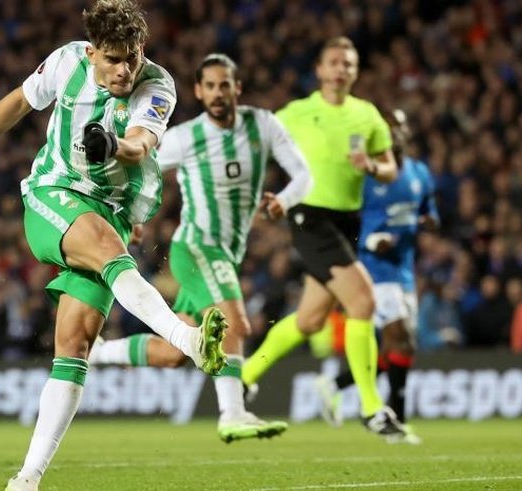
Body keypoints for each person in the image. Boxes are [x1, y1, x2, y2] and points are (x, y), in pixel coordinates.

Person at [0, 2, 228, 489]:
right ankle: (187, 339)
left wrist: (113, 145)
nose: (124, 69)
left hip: (109, 215)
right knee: (108, 252)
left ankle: (26, 479)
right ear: (92, 52)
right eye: (112, 59)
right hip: (52, 196)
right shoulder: (66, 62)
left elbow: (141, 145)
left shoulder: (158, 83)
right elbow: (18, 103)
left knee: (75, 345)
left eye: (132, 56)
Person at [87, 53, 313, 442]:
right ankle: (233, 414)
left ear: (237, 88)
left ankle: (99, 352)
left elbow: (304, 176)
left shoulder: (262, 124)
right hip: (196, 247)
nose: (218, 93)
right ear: (198, 91)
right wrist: (134, 218)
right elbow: (139, 168)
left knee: (177, 352)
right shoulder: (185, 137)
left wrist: (285, 202)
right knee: (235, 324)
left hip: (226, 252)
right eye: (209, 86)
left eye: (225, 84)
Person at [239, 36, 405, 440]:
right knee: (362, 301)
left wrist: (372, 167)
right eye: (334, 62)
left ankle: (243, 377)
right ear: (319, 69)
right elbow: (257, 147)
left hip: (348, 220)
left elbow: (391, 168)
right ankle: (371, 408)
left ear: (355, 71)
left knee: (311, 319)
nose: (341, 69)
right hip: (308, 215)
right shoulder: (297, 112)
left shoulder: (367, 116)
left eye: (348, 63)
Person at [313, 109, 439, 443]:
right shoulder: (367, 178)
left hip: (404, 271)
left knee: (400, 348)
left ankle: (335, 385)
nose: (394, 132)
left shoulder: (419, 173)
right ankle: (395, 418)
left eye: (399, 125)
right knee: (403, 338)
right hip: (374, 270)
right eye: (388, 127)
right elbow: (350, 222)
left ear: (406, 132)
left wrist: (430, 222)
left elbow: (430, 212)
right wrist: (370, 240)